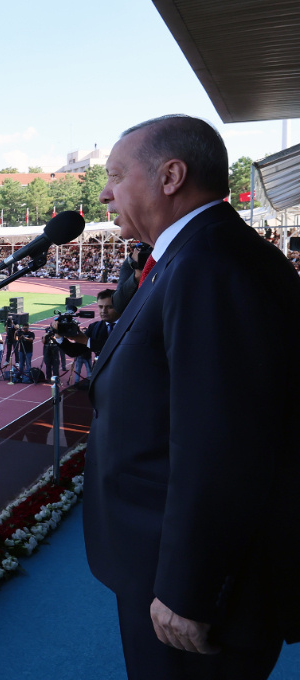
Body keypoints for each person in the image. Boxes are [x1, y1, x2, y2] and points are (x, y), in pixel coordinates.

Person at [86, 115, 300, 679]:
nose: (105, 193)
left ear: (171, 176)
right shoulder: (190, 256)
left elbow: (222, 445)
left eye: (115, 175)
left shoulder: (208, 265)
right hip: (157, 566)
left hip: (189, 591)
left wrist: (188, 589)